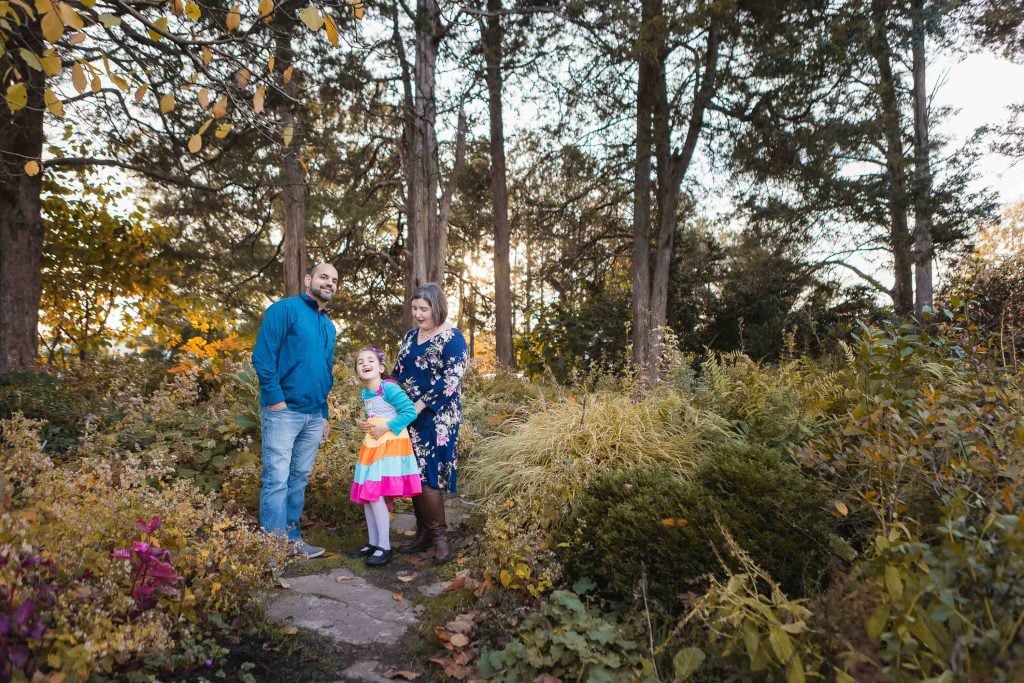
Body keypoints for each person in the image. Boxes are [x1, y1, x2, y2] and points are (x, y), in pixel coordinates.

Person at [251, 262, 339, 559]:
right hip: (283, 411)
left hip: (314, 415)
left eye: (334, 280)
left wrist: (324, 413)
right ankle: (273, 547)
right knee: (276, 478)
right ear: (307, 280)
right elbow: (263, 357)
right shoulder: (284, 310)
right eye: (324, 277)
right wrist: (276, 400)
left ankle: (292, 539)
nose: (329, 282)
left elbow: (326, 372)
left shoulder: (329, 325)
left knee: (298, 478)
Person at [392, 282, 469, 565]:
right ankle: (423, 533)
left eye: (423, 308)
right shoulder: (411, 337)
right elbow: (398, 371)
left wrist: (418, 406)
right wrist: (386, 396)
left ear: (437, 307)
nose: (418, 314)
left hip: (436, 417)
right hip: (407, 415)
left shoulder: (453, 338)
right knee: (413, 471)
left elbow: (451, 380)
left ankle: (440, 539)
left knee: (428, 473)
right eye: (414, 308)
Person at [348, 347, 422, 567]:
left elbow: (409, 412)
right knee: (367, 494)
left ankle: (385, 546)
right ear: (357, 371)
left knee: (374, 492)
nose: (365, 364)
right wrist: (366, 423)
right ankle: (373, 543)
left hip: (390, 446)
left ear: (381, 367)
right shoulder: (366, 393)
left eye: (370, 360)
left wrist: (384, 428)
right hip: (373, 445)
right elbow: (377, 415)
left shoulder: (388, 388)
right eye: (360, 362)